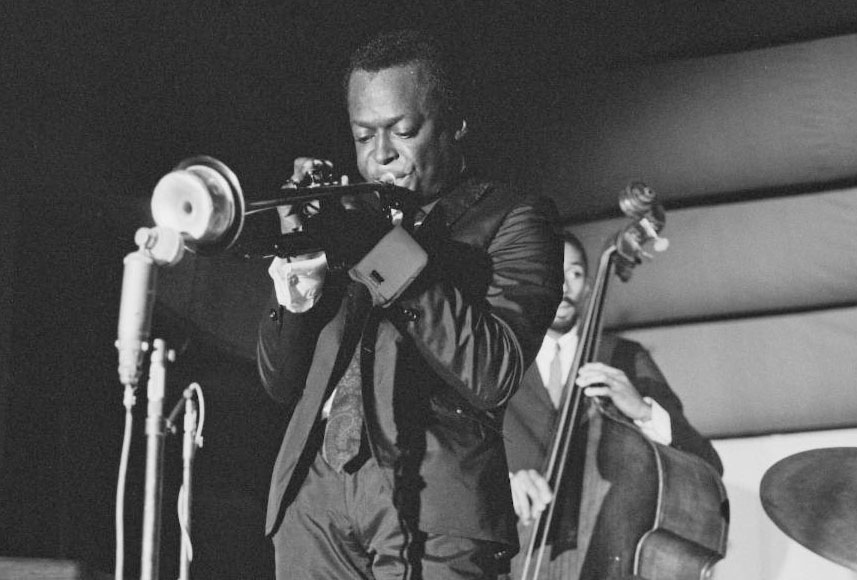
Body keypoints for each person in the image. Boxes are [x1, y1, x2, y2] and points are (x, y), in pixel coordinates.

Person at [257, 29, 564, 579]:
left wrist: (380, 246)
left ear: (456, 125)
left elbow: (493, 371)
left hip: (435, 501)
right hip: (313, 494)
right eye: (362, 135)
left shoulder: (515, 219)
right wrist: (300, 286)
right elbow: (282, 383)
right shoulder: (346, 222)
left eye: (403, 131)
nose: (381, 155)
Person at [503, 231, 723, 578]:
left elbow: (704, 462)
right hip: (516, 557)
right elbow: (455, 454)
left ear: (589, 286)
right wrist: (505, 480)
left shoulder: (624, 357)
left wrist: (642, 410)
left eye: (574, 274)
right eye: (551, 275)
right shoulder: (499, 362)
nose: (563, 287)